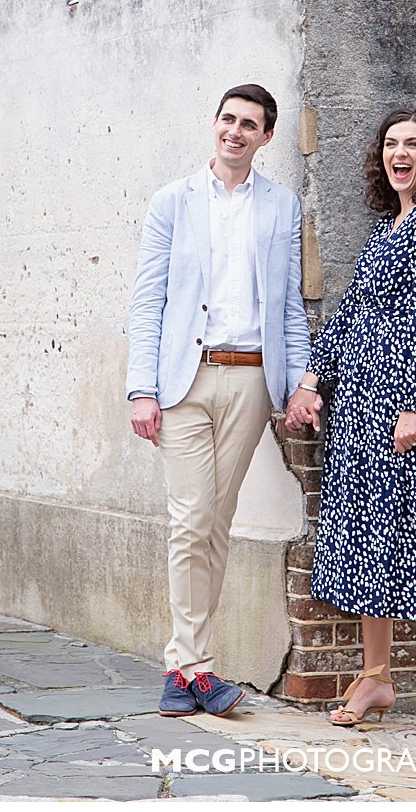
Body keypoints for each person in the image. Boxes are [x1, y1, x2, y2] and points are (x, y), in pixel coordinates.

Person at [285, 108, 416, 738]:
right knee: (362, 541)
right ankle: (376, 675)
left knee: (407, 543)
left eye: (413, 144)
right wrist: (314, 379)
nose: (401, 153)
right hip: (357, 405)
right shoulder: (383, 229)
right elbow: (349, 316)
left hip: (398, 405)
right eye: (392, 144)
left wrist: (411, 407)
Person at [127, 84, 311, 718]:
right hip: (184, 382)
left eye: (250, 124)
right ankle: (197, 667)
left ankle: (183, 672)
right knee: (190, 519)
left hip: (252, 381)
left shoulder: (281, 206)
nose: (235, 131)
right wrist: (141, 389)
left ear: (265, 137)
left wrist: (298, 382)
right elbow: (148, 301)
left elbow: (288, 305)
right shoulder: (172, 203)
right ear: (215, 125)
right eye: (228, 119)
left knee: (217, 524)